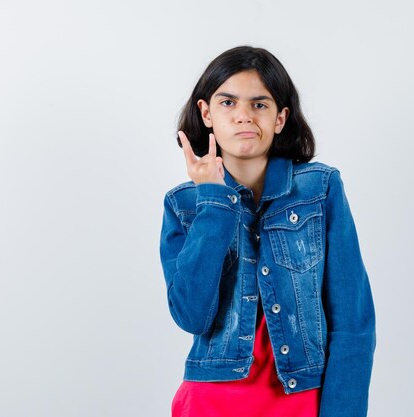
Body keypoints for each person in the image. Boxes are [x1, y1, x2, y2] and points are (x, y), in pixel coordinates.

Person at [158, 45, 376, 417]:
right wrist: (214, 200)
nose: (244, 116)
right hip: (211, 402)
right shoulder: (184, 205)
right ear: (206, 113)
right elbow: (192, 316)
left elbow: (354, 322)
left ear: (280, 118)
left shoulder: (320, 189)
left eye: (260, 104)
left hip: (301, 399)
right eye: (228, 103)